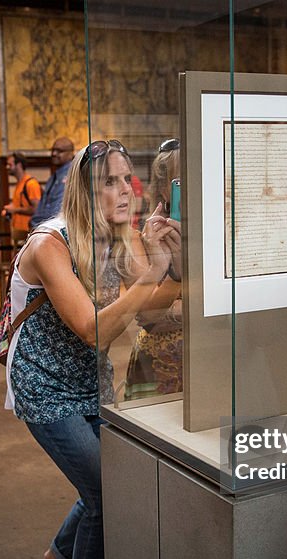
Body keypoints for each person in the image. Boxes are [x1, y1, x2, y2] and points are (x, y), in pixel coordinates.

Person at [6, 139, 180, 559]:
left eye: (127, 178)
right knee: (107, 489)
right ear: (83, 190)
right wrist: (152, 272)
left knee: (101, 479)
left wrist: (170, 260)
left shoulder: (116, 238)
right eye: (109, 180)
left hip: (92, 382)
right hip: (43, 386)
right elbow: (91, 329)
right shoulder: (49, 245)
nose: (125, 189)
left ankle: (58, 557)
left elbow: (151, 309)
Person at [124, 137, 184, 400]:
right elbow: (148, 317)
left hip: (214, 362)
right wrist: (177, 274)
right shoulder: (143, 240)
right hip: (158, 369)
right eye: (183, 181)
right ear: (163, 189)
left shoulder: (225, 234)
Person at [30, 137, 75, 229]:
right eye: (53, 150)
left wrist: (37, 225)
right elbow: (42, 206)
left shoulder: (71, 175)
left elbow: (57, 211)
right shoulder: (54, 177)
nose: (54, 154)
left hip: (56, 229)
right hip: (45, 227)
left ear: (70, 153)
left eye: (59, 151)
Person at [1, 152, 41, 245]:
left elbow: (36, 209)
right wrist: (10, 210)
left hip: (29, 233)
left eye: (10, 164)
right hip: (20, 235)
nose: (7, 167)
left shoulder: (31, 184)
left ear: (18, 165)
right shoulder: (20, 184)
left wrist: (14, 209)